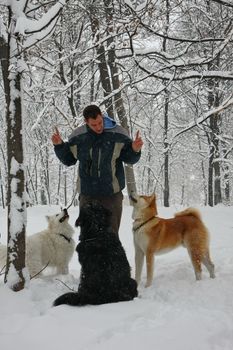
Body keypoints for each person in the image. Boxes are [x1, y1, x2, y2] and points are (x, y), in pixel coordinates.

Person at [51, 104, 143, 237]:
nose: (99, 127)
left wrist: (135, 149)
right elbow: (69, 160)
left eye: (100, 122)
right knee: (88, 239)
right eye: (94, 125)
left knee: (111, 239)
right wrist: (59, 146)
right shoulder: (78, 137)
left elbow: (130, 159)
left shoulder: (118, 134)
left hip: (112, 195)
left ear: (102, 116)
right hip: (88, 195)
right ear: (86, 122)